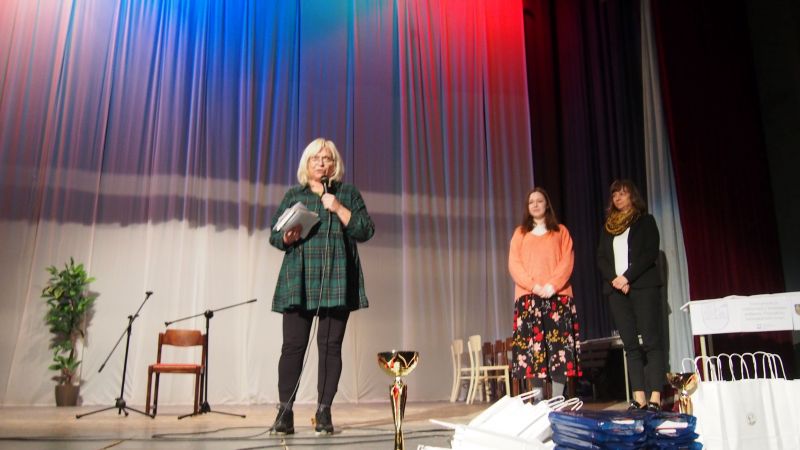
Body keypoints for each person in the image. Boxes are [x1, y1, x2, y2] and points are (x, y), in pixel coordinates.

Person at [268, 138, 374, 435]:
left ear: (334, 164)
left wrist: (338, 207)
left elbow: (365, 230)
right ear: (307, 163)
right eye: (315, 158)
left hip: (336, 278)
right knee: (292, 347)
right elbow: (274, 235)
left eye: (327, 158)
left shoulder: (347, 194)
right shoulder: (294, 195)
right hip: (299, 278)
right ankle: (285, 412)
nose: (321, 163)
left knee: (330, 347)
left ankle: (324, 411)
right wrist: (286, 237)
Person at [596, 179, 664, 412]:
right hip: (617, 291)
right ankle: (639, 397)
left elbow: (649, 254)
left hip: (643, 287)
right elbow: (601, 258)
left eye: (622, 194)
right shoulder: (608, 227)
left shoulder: (645, 221)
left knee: (652, 342)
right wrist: (616, 280)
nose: (617, 198)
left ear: (632, 196)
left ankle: (655, 396)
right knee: (631, 345)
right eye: (614, 194)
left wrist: (626, 277)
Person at [509, 187, 580, 399]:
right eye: (531, 202)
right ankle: (538, 399)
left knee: (559, 349)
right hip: (529, 298)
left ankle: (558, 398)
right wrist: (534, 286)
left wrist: (552, 285)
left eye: (539, 201)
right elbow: (514, 265)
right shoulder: (520, 234)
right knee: (533, 350)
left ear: (546, 204)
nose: (535, 205)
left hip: (557, 297)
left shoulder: (560, 231)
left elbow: (567, 260)